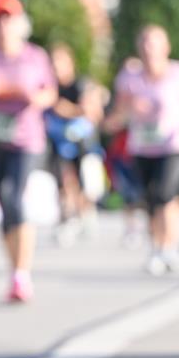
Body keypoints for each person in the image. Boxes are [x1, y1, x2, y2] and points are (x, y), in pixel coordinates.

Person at [0, 0, 57, 301]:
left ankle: (22, 274)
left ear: (20, 24)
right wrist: (4, 92)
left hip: (26, 139)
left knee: (14, 196)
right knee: (4, 204)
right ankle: (15, 270)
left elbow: (48, 93)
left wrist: (31, 97)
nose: (3, 25)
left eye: (8, 18)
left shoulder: (34, 56)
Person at [107, 26, 179, 275]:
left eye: (155, 43)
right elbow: (118, 113)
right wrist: (129, 110)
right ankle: (157, 247)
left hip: (175, 145)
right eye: (145, 44)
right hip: (143, 147)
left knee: (165, 193)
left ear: (166, 47)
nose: (150, 49)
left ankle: (168, 247)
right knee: (151, 200)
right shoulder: (130, 77)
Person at [45, 44, 104, 244]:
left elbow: (92, 111)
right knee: (63, 180)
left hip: (83, 143)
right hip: (58, 143)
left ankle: (84, 213)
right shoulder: (50, 87)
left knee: (85, 182)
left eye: (60, 63)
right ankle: (67, 218)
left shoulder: (82, 84)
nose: (56, 68)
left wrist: (68, 110)